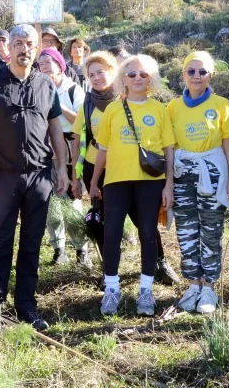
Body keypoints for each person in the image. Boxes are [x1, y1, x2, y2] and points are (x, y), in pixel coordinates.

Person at [0, 24, 71, 331]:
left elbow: (55, 128)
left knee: (32, 242)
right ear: (8, 48)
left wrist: (62, 168)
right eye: (17, 43)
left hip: (39, 175)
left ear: (36, 47)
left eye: (29, 44)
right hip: (4, 176)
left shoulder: (45, 84)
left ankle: (26, 305)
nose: (23, 49)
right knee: (1, 241)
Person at [72, 52, 180, 286]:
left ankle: (155, 271)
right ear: (125, 77)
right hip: (109, 175)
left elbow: (168, 148)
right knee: (108, 227)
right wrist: (86, 179)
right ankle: (110, 279)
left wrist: (168, 184)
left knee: (147, 227)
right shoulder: (95, 105)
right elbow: (89, 142)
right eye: (91, 74)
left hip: (146, 177)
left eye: (101, 72)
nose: (97, 77)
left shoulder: (158, 109)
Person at [166, 51, 229, 314]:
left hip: (213, 172)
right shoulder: (173, 107)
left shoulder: (222, 105)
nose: (197, 76)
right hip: (182, 174)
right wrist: (168, 182)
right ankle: (193, 284)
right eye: (191, 71)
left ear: (211, 75)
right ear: (183, 75)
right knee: (186, 230)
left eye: (203, 72)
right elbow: (169, 146)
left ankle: (209, 286)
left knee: (211, 229)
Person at [36, 48, 91, 268]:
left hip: (70, 150)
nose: (44, 66)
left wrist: (59, 108)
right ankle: (58, 249)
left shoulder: (73, 90)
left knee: (72, 201)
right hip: (45, 151)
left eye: (48, 61)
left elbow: (82, 120)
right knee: (51, 204)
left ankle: (81, 250)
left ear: (60, 64)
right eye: (40, 63)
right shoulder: (38, 88)